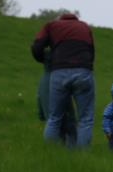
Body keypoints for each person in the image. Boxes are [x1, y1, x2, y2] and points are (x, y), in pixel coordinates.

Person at [31, 12, 96, 147]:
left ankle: (50, 152)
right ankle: (81, 156)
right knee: (85, 119)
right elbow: (91, 51)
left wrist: (44, 59)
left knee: (55, 117)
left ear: (60, 19)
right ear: (76, 19)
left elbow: (36, 46)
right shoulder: (84, 26)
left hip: (59, 72)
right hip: (83, 71)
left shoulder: (51, 25)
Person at [37, 55, 77, 147]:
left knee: (54, 142)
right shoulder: (59, 78)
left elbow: (39, 98)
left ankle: (53, 153)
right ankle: (73, 154)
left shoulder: (42, 79)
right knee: (70, 133)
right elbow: (67, 100)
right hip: (62, 118)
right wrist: (71, 117)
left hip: (49, 120)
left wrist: (41, 114)